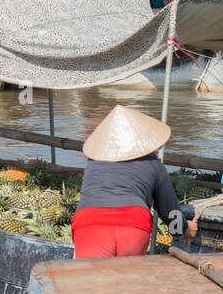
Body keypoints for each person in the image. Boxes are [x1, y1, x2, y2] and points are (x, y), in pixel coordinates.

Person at [72, 105, 197, 259]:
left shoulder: (94, 161)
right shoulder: (154, 164)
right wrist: (183, 230)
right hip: (133, 222)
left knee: (89, 280)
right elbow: (169, 211)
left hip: (90, 221)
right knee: (129, 280)